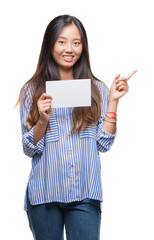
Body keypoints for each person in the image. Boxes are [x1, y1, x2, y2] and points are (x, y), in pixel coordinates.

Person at [18, 14, 137, 240]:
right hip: (44, 196)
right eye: (61, 41)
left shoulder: (97, 89)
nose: (69, 48)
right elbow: (28, 149)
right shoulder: (31, 91)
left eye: (76, 42)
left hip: (85, 195)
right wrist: (42, 120)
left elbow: (103, 143)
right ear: (50, 45)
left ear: (83, 46)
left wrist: (113, 100)